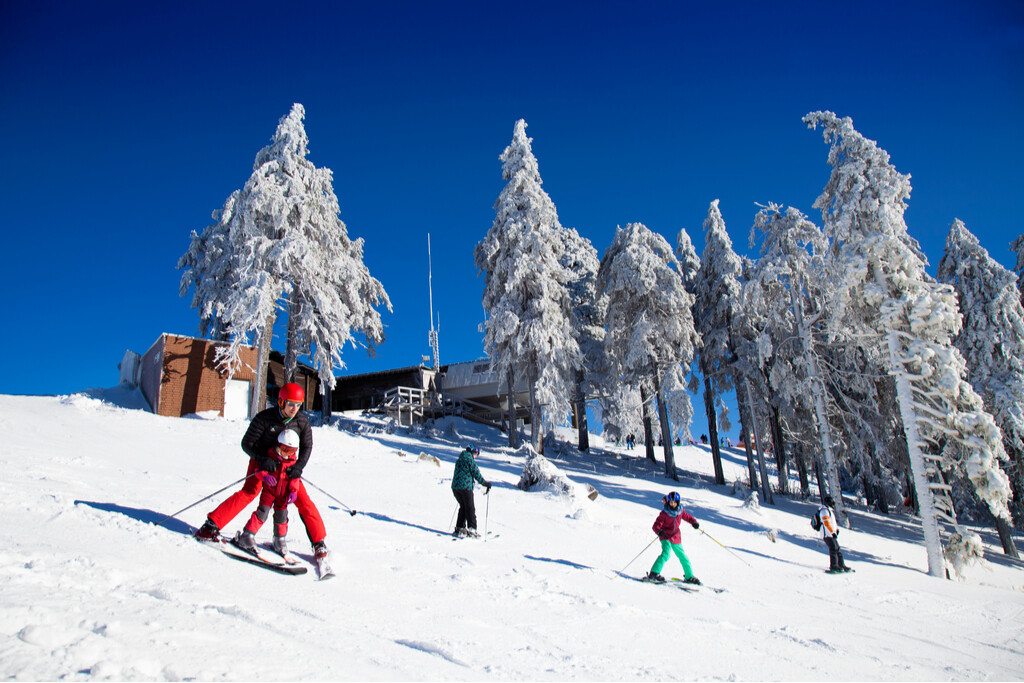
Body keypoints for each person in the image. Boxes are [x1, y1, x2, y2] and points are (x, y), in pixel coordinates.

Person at [194, 382, 329, 562]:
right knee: (249, 492)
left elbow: (307, 446)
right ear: (281, 402)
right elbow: (246, 444)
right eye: (291, 404)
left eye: (298, 405)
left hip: (287, 466)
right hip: (261, 463)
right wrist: (263, 459)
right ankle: (211, 526)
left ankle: (318, 542)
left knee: (303, 499)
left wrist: (299, 467)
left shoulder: (302, 421)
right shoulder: (264, 418)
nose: (294, 409)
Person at [234, 430, 304, 553]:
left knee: (281, 517)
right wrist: (265, 476)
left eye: (292, 451)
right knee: (262, 513)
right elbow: (258, 469)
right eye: (285, 449)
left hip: (283, 495)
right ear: (278, 445)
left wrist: (294, 491)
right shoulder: (270, 457)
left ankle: (279, 539)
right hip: (269, 493)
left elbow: (295, 479)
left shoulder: (293, 463)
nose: (287, 454)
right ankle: (247, 535)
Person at [646, 491, 701, 585]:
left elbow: (687, 517)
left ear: (678, 503)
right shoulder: (665, 513)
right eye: (671, 502)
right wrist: (659, 531)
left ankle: (689, 576)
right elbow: (655, 525)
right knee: (666, 554)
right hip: (665, 536)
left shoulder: (680, 511)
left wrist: (694, 522)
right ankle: (654, 573)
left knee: (683, 556)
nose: (672, 504)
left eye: (674, 502)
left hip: (675, 536)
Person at [451, 444, 491, 537]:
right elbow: (476, 474)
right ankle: (472, 529)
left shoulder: (460, 459)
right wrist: (485, 483)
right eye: (476, 454)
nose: (476, 456)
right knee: (470, 508)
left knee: (463, 507)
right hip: (465, 488)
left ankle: (459, 527)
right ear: (473, 452)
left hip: (455, 488)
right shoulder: (470, 460)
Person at [818, 495, 851, 573]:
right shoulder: (824, 511)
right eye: (832, 502)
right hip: (827, 534)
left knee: (837, 549)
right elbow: (826, 523)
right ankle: (834, 566)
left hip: (831, 534)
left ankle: (841, 565)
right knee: (833, 549)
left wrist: (836, 530)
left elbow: (833, 523)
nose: (833, 504)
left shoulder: (829, 511)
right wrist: (832, 532)